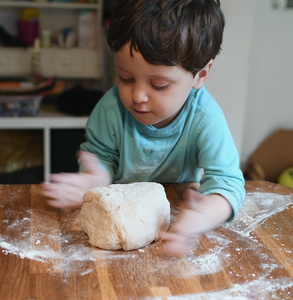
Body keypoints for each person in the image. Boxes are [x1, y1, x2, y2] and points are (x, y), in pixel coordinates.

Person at [41, 0, 245, 255]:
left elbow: (227, 183)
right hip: (119, 217)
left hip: (177, 215)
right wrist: (94, 180)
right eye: (125, 78)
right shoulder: (110, 110)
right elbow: (102, 158)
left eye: (158, 84)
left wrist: (200, 216)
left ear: (200, 75)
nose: (137, 96)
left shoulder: (205, 119)